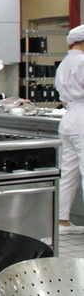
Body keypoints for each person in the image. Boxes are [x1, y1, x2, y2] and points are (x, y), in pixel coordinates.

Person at [54, 24, 84, 234]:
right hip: (82, 118)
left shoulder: (66, 61)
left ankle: (62, 221)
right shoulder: (82, 61)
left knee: (69, 172)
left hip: (69, 118)